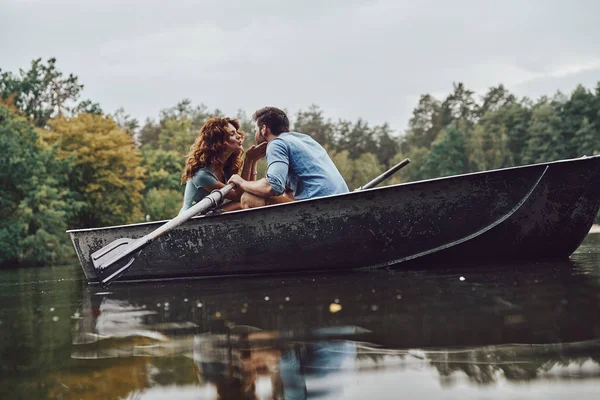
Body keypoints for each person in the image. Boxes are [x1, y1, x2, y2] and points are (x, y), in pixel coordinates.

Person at [228, 107, 348, 209]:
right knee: (286, 195)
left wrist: (241, 182)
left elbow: (272, 186)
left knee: (249, 197)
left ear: (264, 129)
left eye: (255, 131)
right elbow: (287, 190)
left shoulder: (276, 143)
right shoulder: (304, 139)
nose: (255, 135)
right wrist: (252, 161)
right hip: (344, 203)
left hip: (319, 208)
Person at [180, 117, 267, 214]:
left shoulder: (226, 167)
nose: (239, 136)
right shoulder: (202, 175)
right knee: (243, 203)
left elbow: (248, 191)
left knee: (251, 199)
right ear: (219, 142)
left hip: (210, 215)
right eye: (232, 134)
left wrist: (254, 161)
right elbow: (238, 196)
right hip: (191, 220)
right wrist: (248, 160)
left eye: (237, 132)